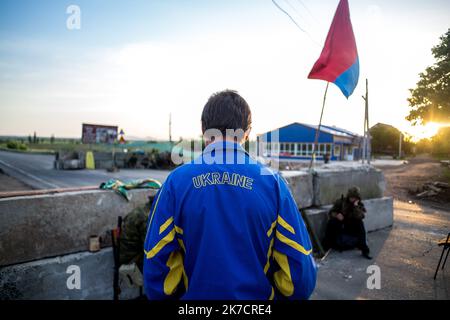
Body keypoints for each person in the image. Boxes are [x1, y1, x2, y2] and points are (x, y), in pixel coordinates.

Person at [143, 90, 317, 300]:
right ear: (247, 132)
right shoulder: (273, 183)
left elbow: (156, 265)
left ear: (204, 130)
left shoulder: (175, 183)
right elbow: (299, 277)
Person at [323, 187, 372, 259]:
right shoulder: (341, 202)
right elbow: (331, 212)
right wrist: (337, 215)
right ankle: (325, 247)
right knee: (332, 222)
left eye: (354, 197)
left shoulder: (359, 205)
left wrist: (355, 206)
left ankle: (364, 250)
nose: (352, 199)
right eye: (351, 197)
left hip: (351, 228)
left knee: (360, 223)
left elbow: (360, 216)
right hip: (341, 225)